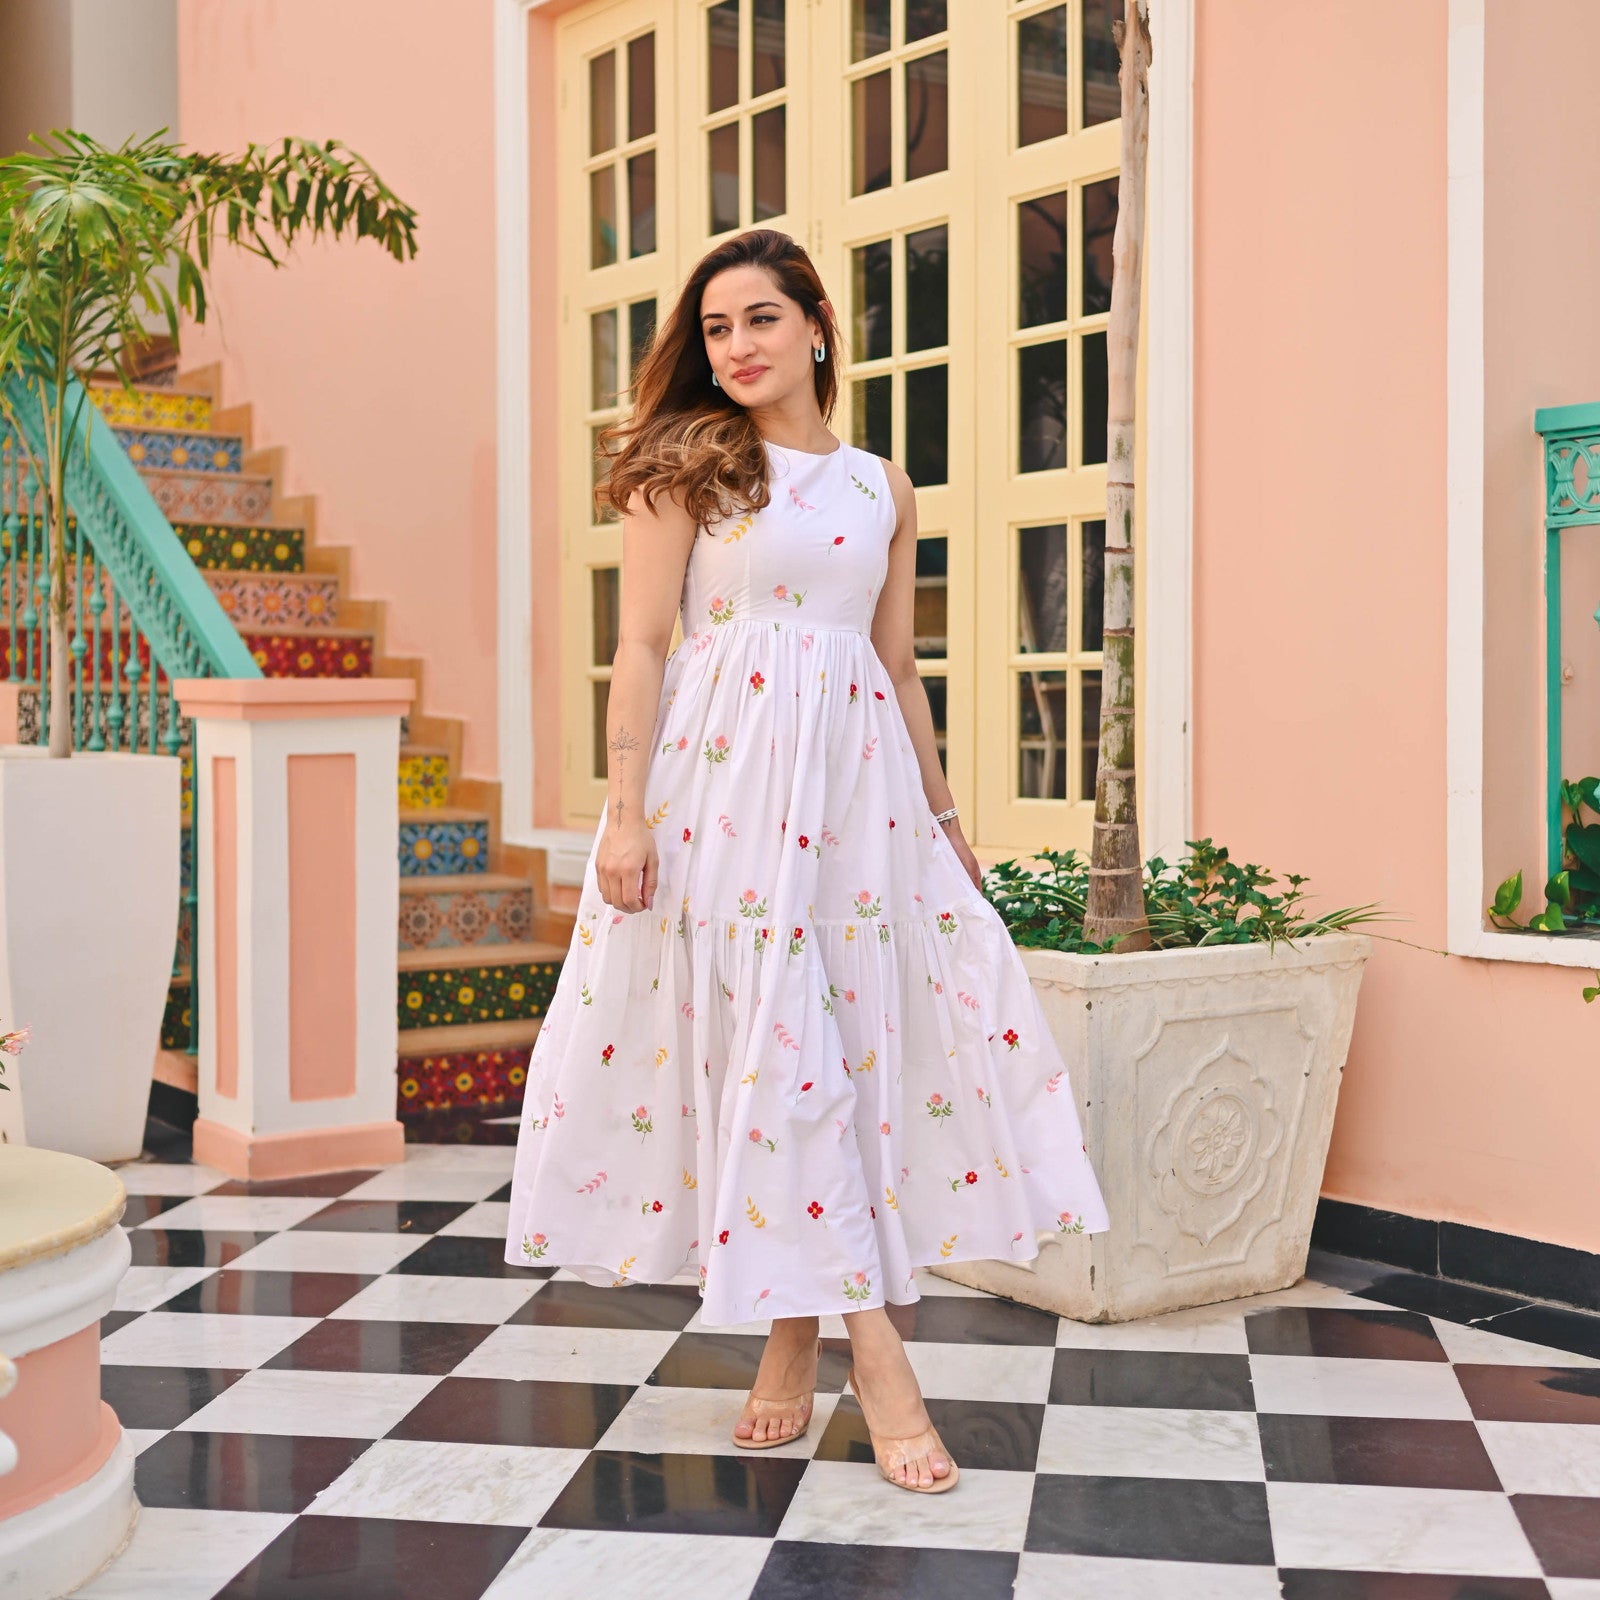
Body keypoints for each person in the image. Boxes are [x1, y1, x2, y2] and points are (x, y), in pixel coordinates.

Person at [503, 226, 1110, 1493]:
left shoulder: (882, 487)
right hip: (721, 793)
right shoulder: (683, 474)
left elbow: (893, 666)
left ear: (817, 327)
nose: (734, 347)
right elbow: (642, 650)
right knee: (777, 1045)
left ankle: (790, 1338)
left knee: (839, 1047)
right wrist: (623, 813)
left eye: (759, 321)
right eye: (716, 328)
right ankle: (880, 1363)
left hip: (858, 805)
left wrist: (945, 827)